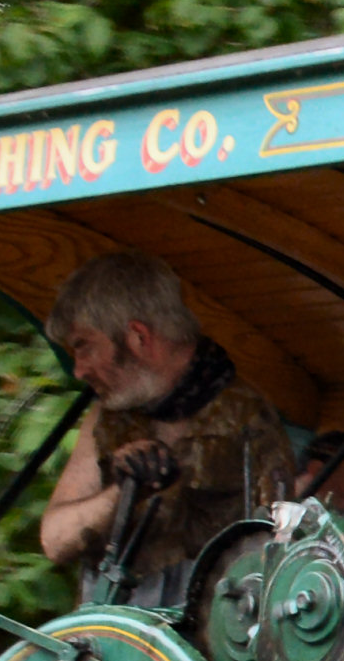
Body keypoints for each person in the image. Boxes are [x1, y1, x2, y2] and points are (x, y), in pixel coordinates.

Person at [36, 253, 300, 606]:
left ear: (137, 337)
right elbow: (55, 541)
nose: (78, 370)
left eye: (85, 347)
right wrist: (123, 492)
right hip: (110, 643)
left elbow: (279, 556)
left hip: (203, 644)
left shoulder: (248, 418)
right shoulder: (106, 418)